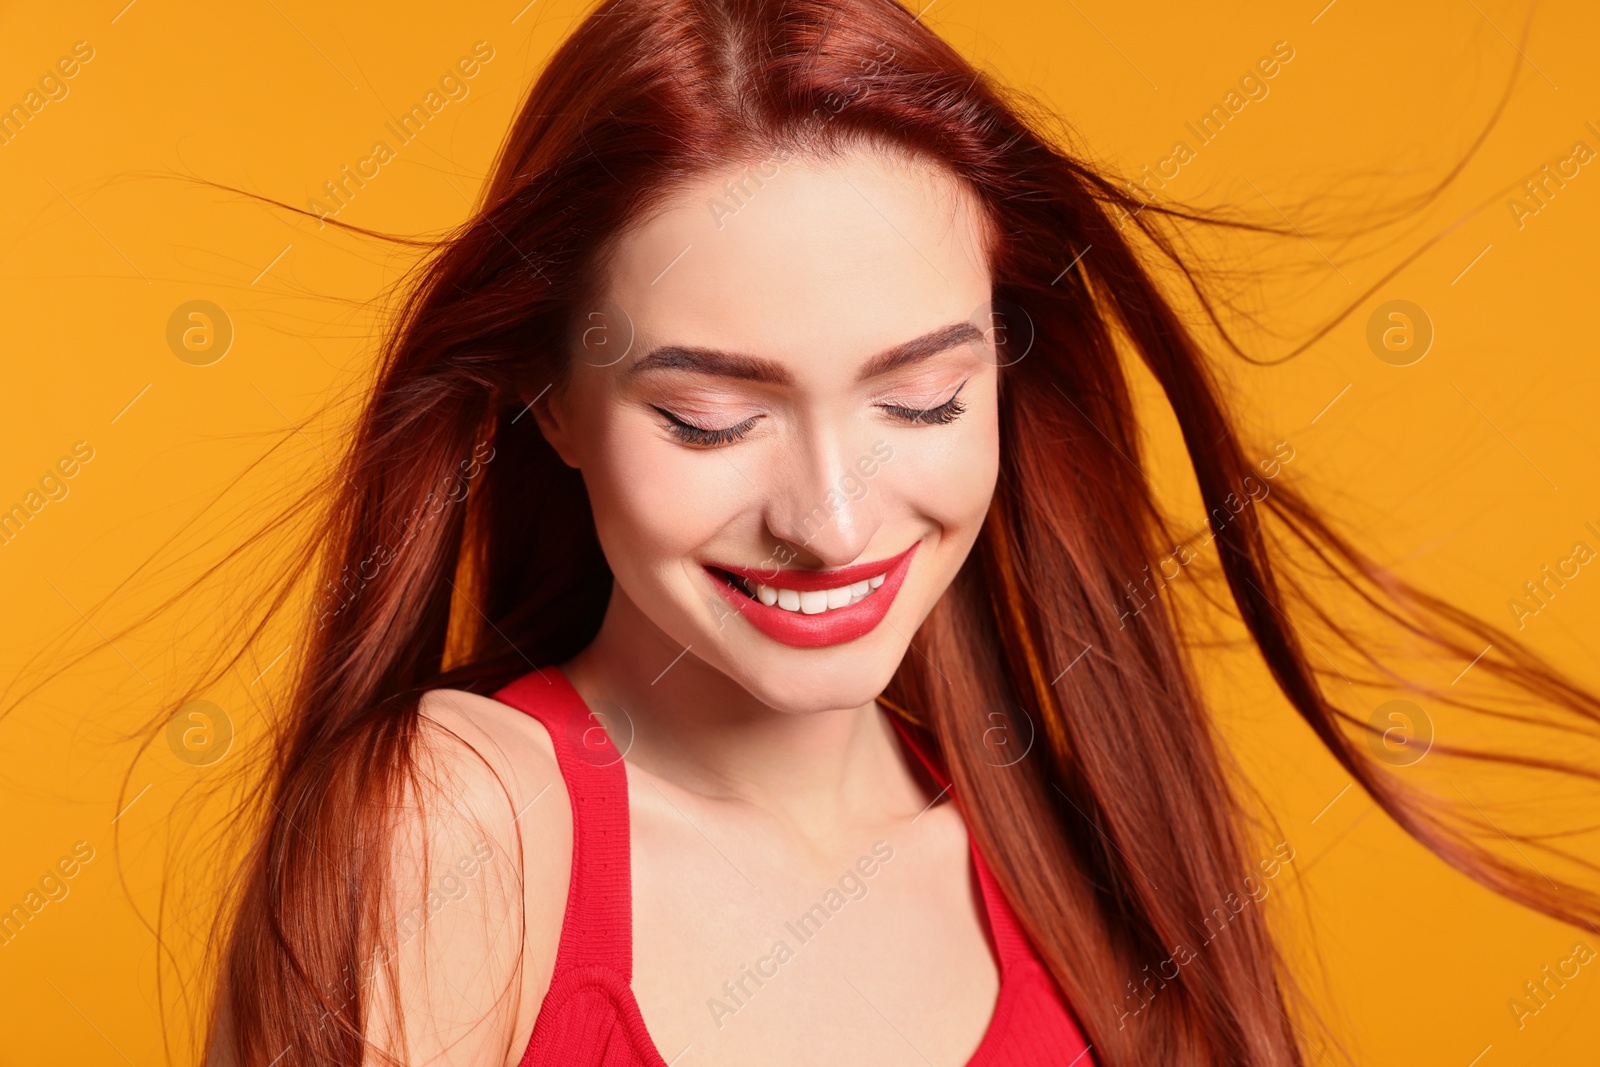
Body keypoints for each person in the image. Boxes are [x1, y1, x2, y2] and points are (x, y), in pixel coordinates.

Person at [206, 1, 1600, 1064]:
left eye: (923, 401)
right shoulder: (463, 823)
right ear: (551, 403)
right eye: (707, 415)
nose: (831, 520)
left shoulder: (1079, 843)